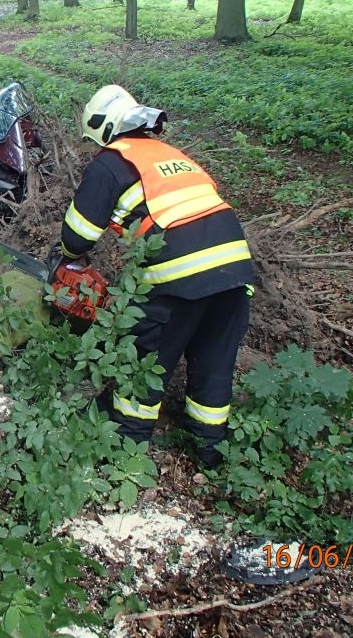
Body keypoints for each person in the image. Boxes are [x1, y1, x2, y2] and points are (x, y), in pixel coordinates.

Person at [57, 84, 255, 467]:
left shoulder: (111, 161)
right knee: (213, 367)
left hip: (179, 279)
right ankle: (211, 457)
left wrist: (67, 260)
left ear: (101, 128)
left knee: (147, 364)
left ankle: (125, 455)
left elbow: (78, 234)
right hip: (235, 271)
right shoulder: (170, 155)